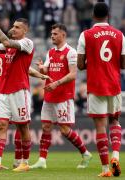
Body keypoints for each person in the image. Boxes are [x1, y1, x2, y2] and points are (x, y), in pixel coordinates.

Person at [0, 11, 50, 172]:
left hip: (20, 91)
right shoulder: (8, 47)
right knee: (1, 125)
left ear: (25, 30)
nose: (14, 29)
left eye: (17, 27)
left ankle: (24, 162)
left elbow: (6, 41)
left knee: (23, 128)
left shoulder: (27, 43)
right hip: (4, 92)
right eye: (13, 26)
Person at [30, 23, 92, 170]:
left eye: (55, 34)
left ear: (63, 35)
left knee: (64, 130)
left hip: (63, 96)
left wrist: (57, 83)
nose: (52, 36)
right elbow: (47, 68)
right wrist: (42, 68)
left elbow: (73, 74)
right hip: (49, 94)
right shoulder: (50, 52)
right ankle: (42, 160)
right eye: (51, 34)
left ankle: (85, 153)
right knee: (46, 126)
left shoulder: (71, 52)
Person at [77, 2, 125, 177]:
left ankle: (105, 169)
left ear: (93, 15)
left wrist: (93, 62)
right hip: (114, 84)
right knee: (114, 121)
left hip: (96, 85)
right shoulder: (119, 34)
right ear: (108, 15)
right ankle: (115, 156)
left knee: (100, 127)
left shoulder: (85, 35)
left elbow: (80, 65)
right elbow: (124, 63)